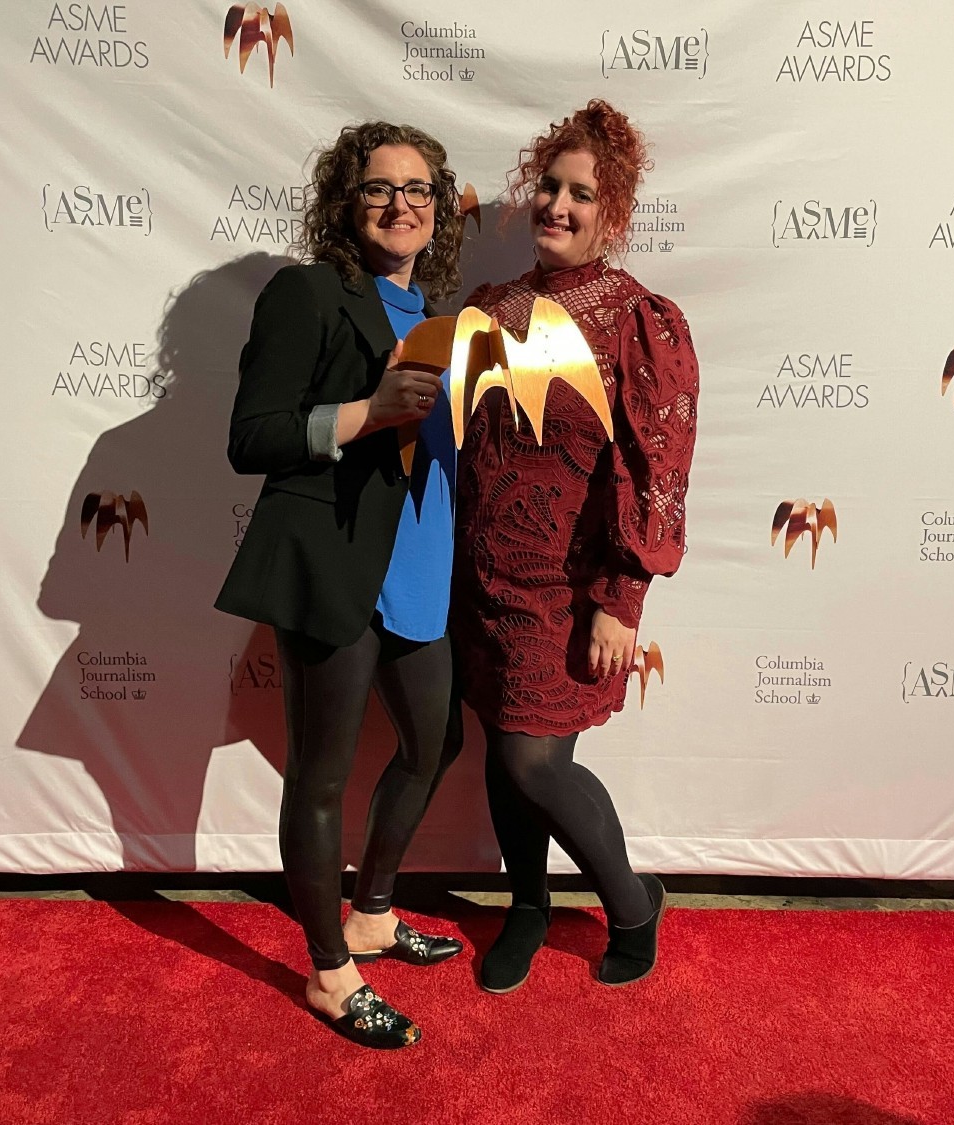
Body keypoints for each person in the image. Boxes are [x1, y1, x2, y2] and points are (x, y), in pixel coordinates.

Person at [216, 121, 467, 1049]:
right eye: (379, 188)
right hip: (337, 569)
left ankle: (373, 911)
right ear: (346, 201)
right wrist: (367, 412)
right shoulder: (309, 292)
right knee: (318, 777)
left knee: (432, 745)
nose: (400, 204)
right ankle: (329, 971)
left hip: (424, 570)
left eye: (418, 191)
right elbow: (253, 436)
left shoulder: (441, 317)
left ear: (437, 211)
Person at [452, 100, 700, 992]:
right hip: (480, 577)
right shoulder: (491, 306)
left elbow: (656, 468)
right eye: (549, 188)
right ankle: (527, 906)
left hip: (569, 584)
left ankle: (632, 903)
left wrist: (621, 596)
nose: (558, 206)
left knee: (535, 759)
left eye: (581, 195)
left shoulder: (638, 318)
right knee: (503, 753)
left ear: (613, 213)